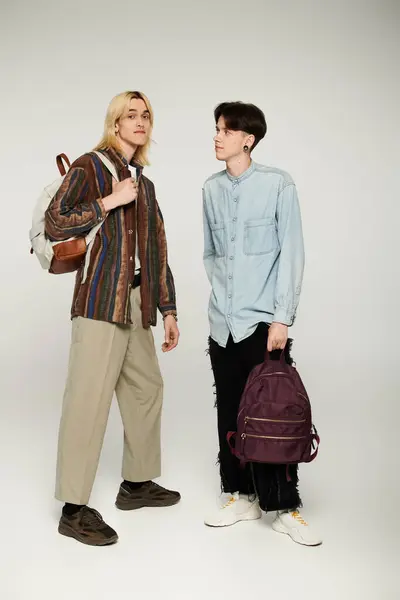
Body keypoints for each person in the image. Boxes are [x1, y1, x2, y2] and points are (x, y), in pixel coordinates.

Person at [45, 91, 180, 546]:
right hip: (101, 303)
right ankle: (73, 508)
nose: (139, 122)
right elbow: (56, 222)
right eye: (130, 115)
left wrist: (168, 309)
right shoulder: (89, 165)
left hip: (137, 305)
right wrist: (107, 202)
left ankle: (136, 484)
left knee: (147, 388)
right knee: (88, 400)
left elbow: (156, 250)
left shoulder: (146, 183)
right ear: (115, 123)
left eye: (145, 115)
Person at [202, 101, 322, 546]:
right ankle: (239, 493)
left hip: (263, 323)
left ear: (247, 138)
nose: (216, 137)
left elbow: (292, 252)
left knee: (271, 411)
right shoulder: (210, 189)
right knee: (230, 408)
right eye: (216, 129)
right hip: (222, 323)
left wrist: (281, 317)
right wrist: (223, 297)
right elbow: (211, 252)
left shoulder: (277, 184)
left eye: (225, 131)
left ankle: (284, 505)